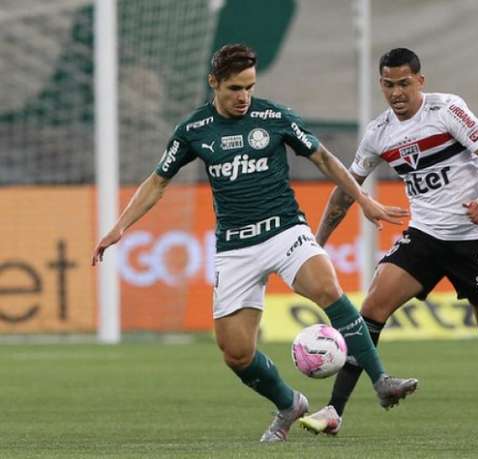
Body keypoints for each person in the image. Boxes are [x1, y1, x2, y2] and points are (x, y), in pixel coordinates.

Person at [91, 44, 418, 443]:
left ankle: (381, 379)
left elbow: (324, 159)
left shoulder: (274, 117)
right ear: (214, 83)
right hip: (235, 248)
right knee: (236, 354)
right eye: (234, 88)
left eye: (249, 87)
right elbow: (158, 180)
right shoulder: (194, 131)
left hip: (285, 231)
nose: (243, 96)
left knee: (327, 288)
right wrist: (120, 226)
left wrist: (363, 199)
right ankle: (289, 403)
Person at [297, 47, 478, 436]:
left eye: (405, 84)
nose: (397, 93)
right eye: (389, 85)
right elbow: (345, 192)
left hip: (475, 238)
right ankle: (334, 412)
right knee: (371, 309)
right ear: (381, 84)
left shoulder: (447, 111)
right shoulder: (378, 132)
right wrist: (317, 242)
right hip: (425, 236)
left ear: (420, 81)